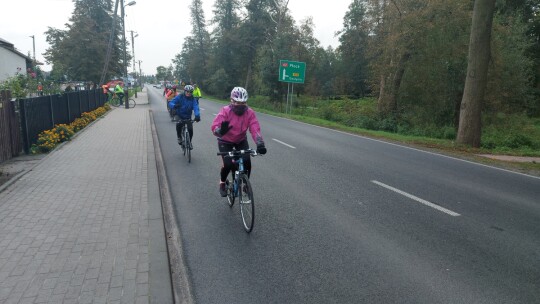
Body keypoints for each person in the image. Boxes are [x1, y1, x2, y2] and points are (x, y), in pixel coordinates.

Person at [211, 87, 267, 197]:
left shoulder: (249, 113)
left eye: (243, 103)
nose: (240, 105)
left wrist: (260, 143)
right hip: (225, 141)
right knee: (228, 164)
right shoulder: (226, 110)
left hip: (240, 140)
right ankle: (222, 183)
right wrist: (219, 130)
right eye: (237, 102)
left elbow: (255, 128)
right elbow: (215, 125)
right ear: (232, 101)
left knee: (247, 161)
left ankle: (246, 183)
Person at [168, 85, 201, 149]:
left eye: (190, 92)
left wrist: (197, 116)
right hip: (179, 115)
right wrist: (174, 106)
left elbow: (196, 107)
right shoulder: (180, 97)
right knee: (179, 124)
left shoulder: (193, 99)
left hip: (187, 116)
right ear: (185, 91)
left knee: (190, 129)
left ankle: (189, 142)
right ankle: (179, 137)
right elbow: (171, 102)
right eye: (187, 91)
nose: (188, 93)